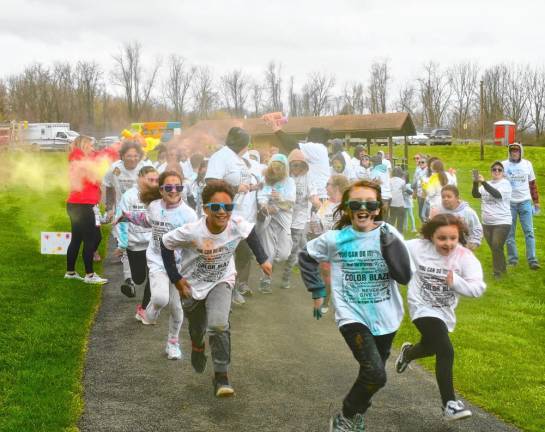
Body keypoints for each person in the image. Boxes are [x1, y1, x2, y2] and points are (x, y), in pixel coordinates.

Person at [299, 180, 412, 431]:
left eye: (370, 204)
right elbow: (305, 256)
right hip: (352, 315)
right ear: (348, 208)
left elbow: (404, 276)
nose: (363, 208)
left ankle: (356, 413)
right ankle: (347, 415)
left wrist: (389, 247)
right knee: (375, 374)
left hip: (387, 316)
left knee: (373, 376)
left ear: (378, 208)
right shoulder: (335, 239)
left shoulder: (389, 234)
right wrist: (317, 289)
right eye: (356, 203)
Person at [160, 181, 272, 397]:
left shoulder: (236, 224)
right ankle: (197, 345)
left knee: (219, 325)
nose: (222, 212)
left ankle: (221, 376)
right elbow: (166, 244)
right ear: (205, 209)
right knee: (198, 328)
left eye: (227, 207)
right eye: (216, 207)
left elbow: (251, 235)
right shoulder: (192, 231)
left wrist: (263, 259)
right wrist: (176, 278)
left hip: (222, 280)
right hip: (192, 286)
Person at [396, 214, 486, 422]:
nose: (448, 243)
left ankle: (409, 353)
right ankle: (449, 405)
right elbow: (392, 245)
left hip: (444, 311)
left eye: (453, 238)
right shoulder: (417, 247)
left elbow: (477, 288)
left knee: (432, 346)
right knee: (446, 349)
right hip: (421, 307)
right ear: (430, 237)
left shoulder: (464, 257)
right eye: (442, 238)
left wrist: (456, 282)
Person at [118, 170, 198, 360]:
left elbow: (195, 243)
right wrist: (127, 216)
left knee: (177, 309)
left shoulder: (189, 215)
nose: (173, 191)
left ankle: (173, 344)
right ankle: (148, 314)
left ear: (182, 189)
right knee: (161, 299)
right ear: (161, 190)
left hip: (179, 267)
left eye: (177, 187)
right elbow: (146, 221)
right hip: (157, 260)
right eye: (168, 187)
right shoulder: (154, 206)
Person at [205, 127, 261, 304]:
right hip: (225, 215)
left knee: (244, 253)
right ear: (242, 143)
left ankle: (233, 287)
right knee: (225, 254)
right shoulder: (220, 157)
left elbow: (243, 182)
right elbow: (211, 182)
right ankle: (219, 291)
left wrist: (252, 187)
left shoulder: (239, 159)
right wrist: (235, 189)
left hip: (245, 216)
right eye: (247, 143)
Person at [65, 135, 118, 284]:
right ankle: (89, 275)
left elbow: (99, 157)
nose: (93, 149)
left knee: (76, 239)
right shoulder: (81, 161)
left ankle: (71, 272)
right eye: (90, 146)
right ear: (83, 146)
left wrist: (113, 148)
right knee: (91, 239)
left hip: (75, 204)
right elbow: (96, 165)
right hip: (84, 205)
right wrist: (112, 151)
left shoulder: (78, 158)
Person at [103, 141, 151, 294]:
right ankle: (128, 280)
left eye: (135, 156)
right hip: (122, 212)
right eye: (129, 156)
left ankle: (148, 274)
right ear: (122, 156)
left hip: (141, 210)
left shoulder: (145, 167)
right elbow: (109, 186)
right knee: (125, 245)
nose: (132, 159)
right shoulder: (114, 168)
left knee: (146, 245)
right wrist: (109, 208)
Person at [114, 166, 158, 310]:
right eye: (150, 179)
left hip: (153, 243)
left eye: (156, 180)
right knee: (139, 278)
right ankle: (134, 281)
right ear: (140, 178)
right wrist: (122, 244)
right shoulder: (129, 196)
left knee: (154, 275)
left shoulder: (158, 196)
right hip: (135, 244)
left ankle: (145, 308)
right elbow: (121, 220)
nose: (153, 183)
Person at [308, 175, 350, 315]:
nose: (326, 187)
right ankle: (326, 300)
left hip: (344, 246)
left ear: (337, 187)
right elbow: (318, 227)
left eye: (328, 184)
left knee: (342, 276)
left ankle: (342, 305)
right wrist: (315, 223)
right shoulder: (325, 204)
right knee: (326, 272)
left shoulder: (348, 204)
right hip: (327, 244)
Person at [256, 154, 296, 293]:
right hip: (268, 220)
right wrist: (264, 206)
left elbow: (290, 202)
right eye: (274, 167)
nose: (276, 171)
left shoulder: (290, 182)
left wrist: (278, 201)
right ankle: (265, 282)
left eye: (279, 168)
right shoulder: (264, 179)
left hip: (283, 220)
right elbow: (261, 197)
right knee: (269, 253)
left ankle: (273, 265)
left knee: (284, 254)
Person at [265, 117, 331, 200]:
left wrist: (277, 130)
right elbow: (293, 152)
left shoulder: (317, 147)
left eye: (308, 136)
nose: (306, 139)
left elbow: (293, 146)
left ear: (314, 137)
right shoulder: (320, 149)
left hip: (318, 196)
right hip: (317, 195)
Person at [281, 149, 318, 289]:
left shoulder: (308, 177)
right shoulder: (284, 177)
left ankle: (286, 276)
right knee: (296, 246)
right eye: (293, 165)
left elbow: (312, 194)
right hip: (284, 215)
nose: (296, 168)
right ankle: (307, 262)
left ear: (304, 166)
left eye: (299, 165)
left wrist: (316, 202)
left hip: (300, 218)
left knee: (294, 246)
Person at [502, 143, 541, 269]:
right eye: (512, 151)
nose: (514, 153)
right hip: (509, 204)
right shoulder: (503, 165)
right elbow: (499, 183)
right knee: (509, 233)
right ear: (509, 152)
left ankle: (532, 260)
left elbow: (533, 184)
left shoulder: (527, 164)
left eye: (517, 151)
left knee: (529, 232)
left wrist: (536, 202)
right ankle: (512, 260)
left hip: (525, 203)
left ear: (520, 152)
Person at [472, 162, 512, 278]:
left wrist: (483, 182)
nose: (497, 171)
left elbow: (497, 194)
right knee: (496, 248)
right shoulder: (486, 184)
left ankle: (497, 272)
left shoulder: (505, 184)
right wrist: (475, 183)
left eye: (499, 170)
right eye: (494, 169)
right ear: (491, 171)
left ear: (503, 172)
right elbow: (475, 195)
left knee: (496, 245)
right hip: (487, 223)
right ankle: (503, 267)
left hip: (502, 221)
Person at [437, 185, 483, 250]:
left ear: (457, 198)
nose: (445, 199)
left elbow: (477, 228)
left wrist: (473, 243)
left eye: (449, 197)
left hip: (462, 248)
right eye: (443, 197)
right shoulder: (438, 211)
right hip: (442, 248)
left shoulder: (468, 212)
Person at [371, 154, 392, 220]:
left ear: (374, 163)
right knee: (385, 217)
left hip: (381, 195)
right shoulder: (385, 170)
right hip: (388, 195)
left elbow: (373, 182)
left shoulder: (375, 171)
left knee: (379, 217)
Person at [389, 167, 406, 233]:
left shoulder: (389, 180)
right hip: (400, 203)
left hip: (392, 202)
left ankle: (391, 232)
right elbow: (404, 191)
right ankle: (400, 233)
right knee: (400, 219)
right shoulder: (402, 181)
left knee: (392, 218)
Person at [413, 157, 428, 222]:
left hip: (426, 194)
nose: (421, 163)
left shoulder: (428, 171)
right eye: (420, 162)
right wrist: (414, 192)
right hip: (419, 194)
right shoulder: (418, 170)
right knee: (420, 213)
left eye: (423, 162)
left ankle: (428, 228)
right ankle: (424, 226)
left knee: (425, 213)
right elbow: (415, 182)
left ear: (427, 163)